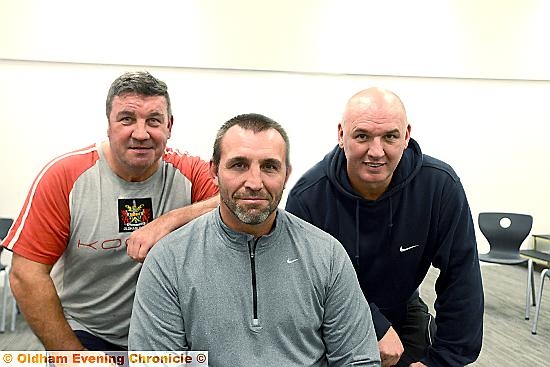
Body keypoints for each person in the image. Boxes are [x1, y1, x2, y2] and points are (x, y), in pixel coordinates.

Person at [128, 113, 381, 367]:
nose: (254, 182)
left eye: (270, 166)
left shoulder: (327, 256)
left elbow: (358, 361)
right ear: (214, 171)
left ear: (286, 174)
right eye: (239, 165)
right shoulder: (168, 261)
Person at [1, 71, 219, 351]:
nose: (141, 134)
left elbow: (237, 202)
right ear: (109, 125)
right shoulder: (64, 177)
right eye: (127, 119)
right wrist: (75, 358)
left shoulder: (190, 172)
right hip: (85, 331)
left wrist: (168, 221)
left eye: (153, 121)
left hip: (164, 332)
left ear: (169, 126)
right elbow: (26, 274)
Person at [285, 88, 484, 367]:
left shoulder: (440, 187)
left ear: (406, 136)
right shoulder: (308, 198)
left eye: (390, 136)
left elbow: (462, 279)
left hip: (402, 310)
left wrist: (443, 361)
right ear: (341, 135)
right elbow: (304, 290)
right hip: (331, 318)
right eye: (362, 136)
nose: (376, 152)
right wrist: (373, 325)